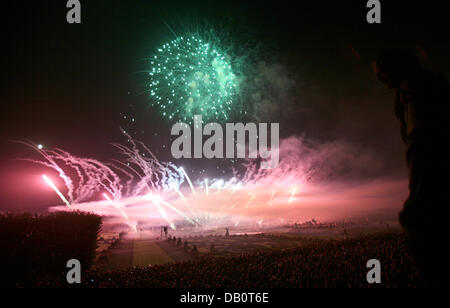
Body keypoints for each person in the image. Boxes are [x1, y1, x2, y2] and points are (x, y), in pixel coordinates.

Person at [375, 49, 450, 287]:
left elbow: (422, 141)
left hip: (432, 168)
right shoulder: (429, 85)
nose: (385, 84)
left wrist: (415, 199)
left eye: (384, 76)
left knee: (419, 227)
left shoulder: (414, 91)